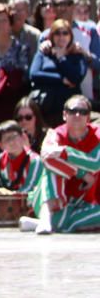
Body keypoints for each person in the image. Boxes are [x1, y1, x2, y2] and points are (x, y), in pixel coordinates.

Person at [20, 95, 100, 234]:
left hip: (82, 201)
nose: (77, 115)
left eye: (83, 112)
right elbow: (47, 158)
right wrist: (82, 173)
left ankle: (50, 223)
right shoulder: (55, 134)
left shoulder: (98, 133)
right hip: (50, 198)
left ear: (88, 117)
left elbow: (95, 163)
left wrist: (65, 152)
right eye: (72, 110)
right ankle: (47, 217)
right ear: (64, 115)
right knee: (51, 169)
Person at [29, 19, 88, 126]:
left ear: (70, 36)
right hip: (45, 108)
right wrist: (61, 80)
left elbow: (76, 78)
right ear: (52, 35)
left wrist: (61, 58)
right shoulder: (44, 52)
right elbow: (34, 74)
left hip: (70, 111)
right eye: (57, 33)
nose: (61, 37)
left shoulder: (77, 55)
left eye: (65, 33)